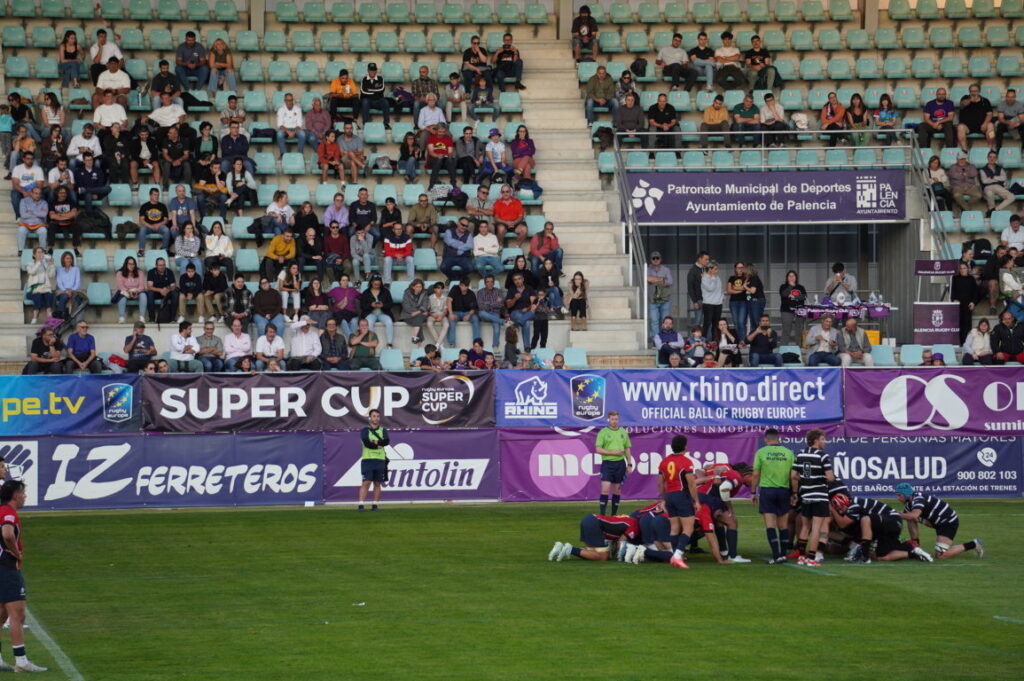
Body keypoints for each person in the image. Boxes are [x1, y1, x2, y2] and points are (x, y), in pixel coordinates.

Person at [0, 480, 48, 672]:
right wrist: (16, 553)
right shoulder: (8, 513)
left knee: (2, 615)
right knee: (17, 614)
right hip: (6, 568)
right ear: (15, 495)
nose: (25, 496)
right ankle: (21, 662)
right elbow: (8, 534)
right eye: (23, 493)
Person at [894, 483, 984, 561]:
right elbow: (908, 517)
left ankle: (974, 544)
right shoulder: (910, 504)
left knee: (940, 555)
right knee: (909, 517)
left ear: (906, 494)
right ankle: (915, 543)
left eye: (899, 495)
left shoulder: (918, 499)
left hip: (948, 522)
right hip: (936, 522)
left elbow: (914, 515)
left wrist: (895, 514)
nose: (897, 498)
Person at [656, 434, 702, 569]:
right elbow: (691, 484)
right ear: (685, 446)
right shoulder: (686, 462)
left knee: (674, 528)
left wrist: (664, 498)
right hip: (681, 495)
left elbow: (660, 484)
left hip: (670, 496)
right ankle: (677, 555)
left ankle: (676, 556)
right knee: (688, 528)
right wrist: (696, 501)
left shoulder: (664, 461)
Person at [749, 428, 795, 564]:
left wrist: (753, 492)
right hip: (784, 490)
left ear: (765, 439)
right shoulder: (788, 452)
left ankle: (776, 556)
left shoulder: (761, 452)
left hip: (767, 490)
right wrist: (794, 493)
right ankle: (783, 554)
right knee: (783, 525)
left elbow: (755, 474)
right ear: (778, 438)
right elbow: (793, 475)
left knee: (770, 525)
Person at [791, 429, 835, 567]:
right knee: (816, 528)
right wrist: (821, 479)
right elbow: (830, 477)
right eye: (823, 439)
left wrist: (806, 480)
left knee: (805, 527)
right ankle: (811, 558)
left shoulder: (800, 453)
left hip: (805, 495)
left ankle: (801, 557)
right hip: (819, 495)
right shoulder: (822, 455)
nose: (825, 442)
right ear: (816, 440)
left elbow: (793, 475)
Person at [595, 411, 633, 516]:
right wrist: (613, 453)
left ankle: (614, 515)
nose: (614, 421)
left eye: (616, 419)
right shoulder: (603, 432)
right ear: (609, 420)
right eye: (612, 419)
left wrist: (629, 464)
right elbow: (598, 449)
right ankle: (602, 515)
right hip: (607, 464)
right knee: (605, 489)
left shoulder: (623, 431)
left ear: (618, 419)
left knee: (617, 491)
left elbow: (627, 448)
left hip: (620, 464)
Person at [956, 83, 996, 151]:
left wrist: (985, 123)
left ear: (979, 91)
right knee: (960, 127)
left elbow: (989, 114)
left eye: (975, 91)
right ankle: (964, 150)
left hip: (982, 126)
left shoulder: (985, 101)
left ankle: (990, 148)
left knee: (991, 126)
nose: (973, 93)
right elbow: (962, 105)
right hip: (967, 126)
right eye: (972, 91)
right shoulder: (965, 98)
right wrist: (969, 101)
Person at [646, 251, 673, 345]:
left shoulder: (666, 269)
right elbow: (647, 279)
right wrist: (662, 279)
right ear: (651, 260)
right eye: (653, 258)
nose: (655, 260)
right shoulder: (647, 269)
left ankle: (664, 339)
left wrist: (654, 280)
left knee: (665, 321)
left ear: (660, 259)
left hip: (665, 299)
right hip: (653, 300)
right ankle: (656, 341)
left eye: (657, 258)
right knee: (654, 321)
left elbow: (670, 282)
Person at [361, 275, 395, 348]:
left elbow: (390, 304)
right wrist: (371, 305)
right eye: (375, 284)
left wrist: (383, 305)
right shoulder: (366, 292)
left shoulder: (385, 291)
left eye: (378, 284)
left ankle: (389, 343)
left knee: (389, 322)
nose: (377, 286)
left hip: (383, 313)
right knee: (369, 322)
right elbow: (363, 306)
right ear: (371, 283)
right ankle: (372, 342)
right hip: (370, 313)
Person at [505, 272, 537, 351]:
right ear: (513, 281)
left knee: (532, 312)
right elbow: (508, 305)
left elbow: (533, 304)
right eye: (515, 280)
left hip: (528, 312)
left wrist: (527, 308)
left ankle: (517, 324)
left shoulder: (529, 288)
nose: (517, 281)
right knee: (526, 322)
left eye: (519, 279)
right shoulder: (511, 290)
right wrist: (515, 298)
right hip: (516, 312)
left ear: (523, 279)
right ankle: (527, 347)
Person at [951, 261, 980, 344]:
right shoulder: (955, 278)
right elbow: (952, 291)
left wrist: (973, 302)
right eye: (961, 268)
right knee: (958, 324)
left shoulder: (971, 279)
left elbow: (975, 292)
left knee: (967, 324)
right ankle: (958, 343)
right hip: (958, 305)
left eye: (964, 268)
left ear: (967, 269)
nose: (962, 270)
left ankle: (966, 343)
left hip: (968, 305)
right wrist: (954, 299)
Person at [446, 277, 480, 347]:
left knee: (475, 318)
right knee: (451, 319)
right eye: (461, 285)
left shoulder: (471, 294)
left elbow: (473, 308)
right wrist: (451, 313)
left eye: (464, 286)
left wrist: (468, 315)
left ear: (467, 286)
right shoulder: (455, 288)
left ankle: (477, 343)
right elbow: (449, 300)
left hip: (467, 313)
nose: (462, 287)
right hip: (455, 312)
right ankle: (452, 343)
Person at [16, 185, 49, 254]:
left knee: (43, 231)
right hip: (26, 224)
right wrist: (38, 212)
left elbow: (44, 214)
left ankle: (43, 250)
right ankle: (20, 250)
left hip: (39, 225)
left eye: (39, 194)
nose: (38, 195)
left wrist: (32, 212)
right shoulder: (24, 201)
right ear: (31, 193)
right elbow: (23, 215)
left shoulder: (44, 203)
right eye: (36, 193)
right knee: (21, 230)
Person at [778, 270, 806, 344]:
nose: (791, 277)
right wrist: (791, 286)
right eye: (789, 276)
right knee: (786, 330)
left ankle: (799, 347)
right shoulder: (783, 286)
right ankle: (783, 347)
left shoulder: (800, 287)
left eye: (793, 276)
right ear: (787, 278)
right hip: (786, 310)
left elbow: (804, 297)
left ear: (796, 277)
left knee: (799, 330)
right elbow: (783, 294)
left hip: (799, 311)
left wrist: (794, 297)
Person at [425, 123, 457, 189]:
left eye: (443, 132)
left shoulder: (448, 138)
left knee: (450, 160)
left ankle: (453, 184)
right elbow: (431, 152)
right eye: (440, 132)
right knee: (439, 160)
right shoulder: (431, 138)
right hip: (433, 159)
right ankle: (432, 184)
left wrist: (445, 155)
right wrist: (438, 155)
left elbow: (450, 152)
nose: (442, 133)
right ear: (436, 131)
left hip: (444, 159)